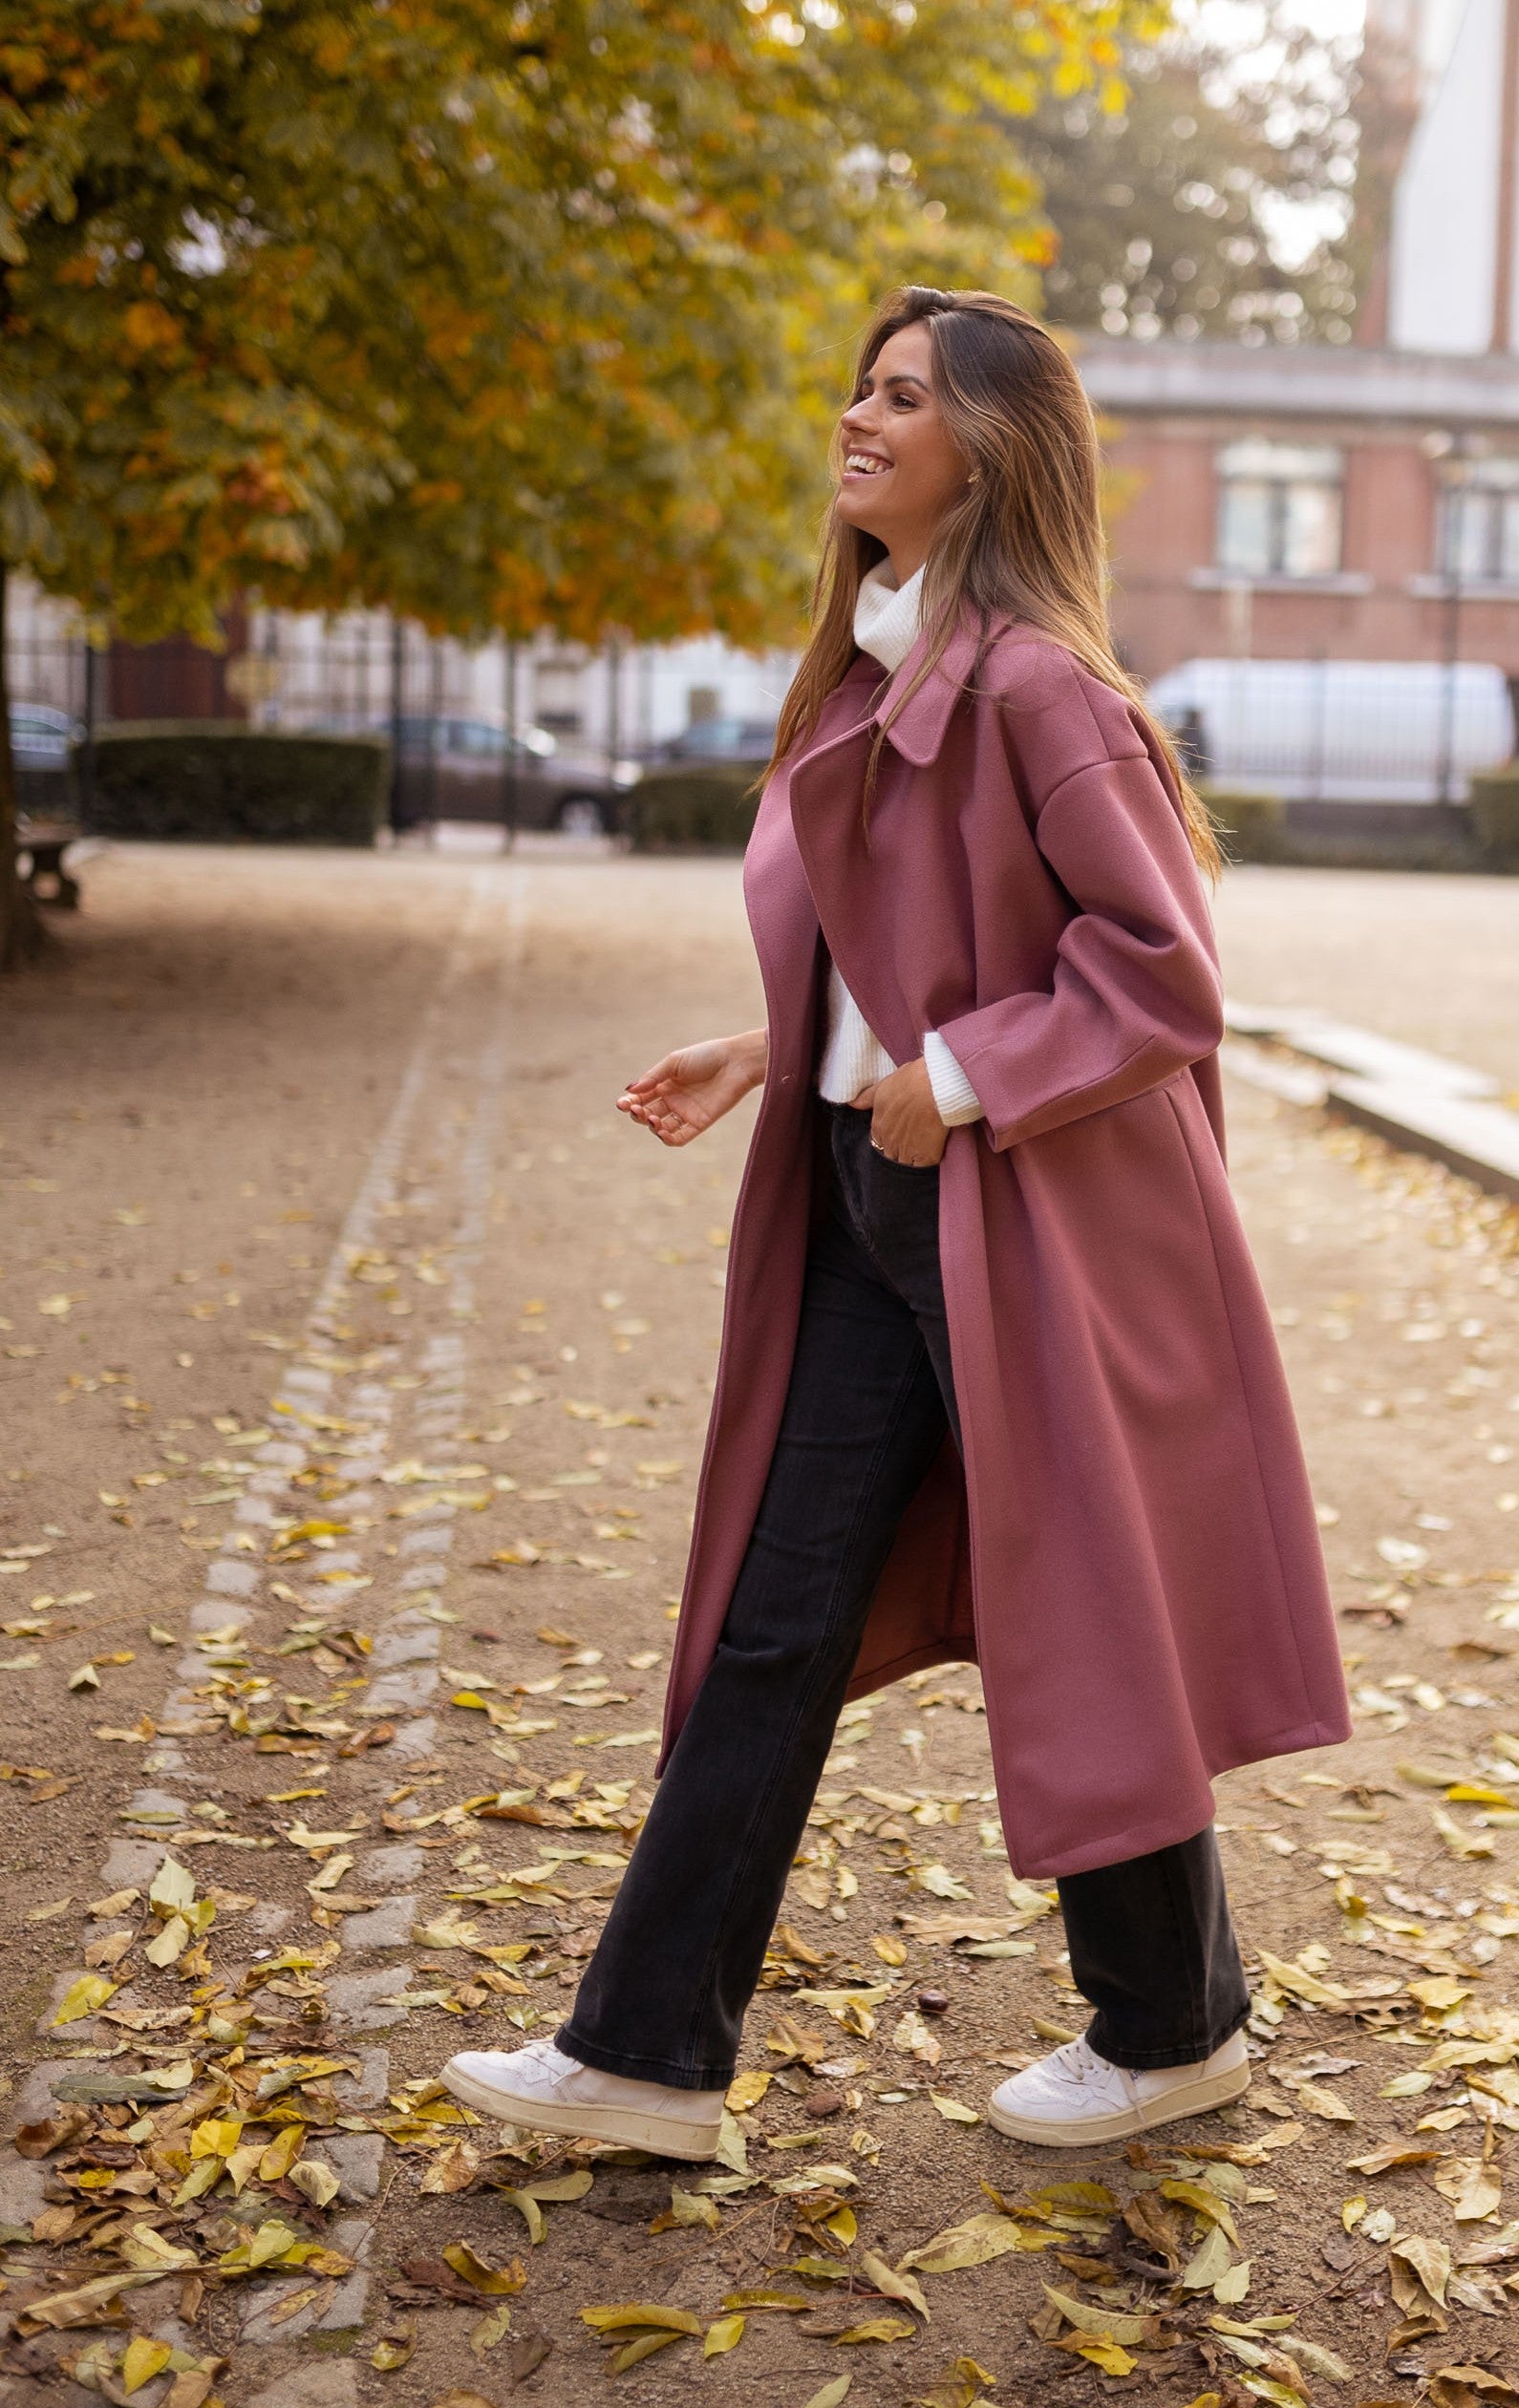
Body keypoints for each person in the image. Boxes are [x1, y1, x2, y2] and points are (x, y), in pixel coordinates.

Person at [442, 287, 1348, 2161]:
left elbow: (1162, 973)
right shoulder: (878, 663)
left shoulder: (1036, 686)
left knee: (1076, 1588)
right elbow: (921, 939)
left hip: (1010, 1210)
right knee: (785, 1611)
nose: (860, 417)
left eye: (905, 395)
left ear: (989, 450)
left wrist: (963, 1075)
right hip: (882, 1187)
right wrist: (777, 1047)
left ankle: (1172, 2023)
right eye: (859, 385)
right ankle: (647, 2047)